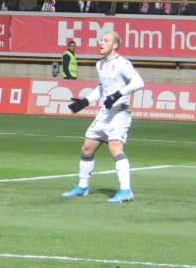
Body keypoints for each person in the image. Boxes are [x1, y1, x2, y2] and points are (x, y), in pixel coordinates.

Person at [60, 29, 145, 203]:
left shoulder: (122, 63)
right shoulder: (100, 65)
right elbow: (102, 88)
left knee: (115, 147)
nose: (101, 43)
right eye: (101, 40)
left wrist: (117, 94)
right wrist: (85, 102)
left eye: (106, 40)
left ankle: (126, 190)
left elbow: (139, 82)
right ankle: (83, 186)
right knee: (87, 148)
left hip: (120, 112)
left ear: (115, 45)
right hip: (104, 113)